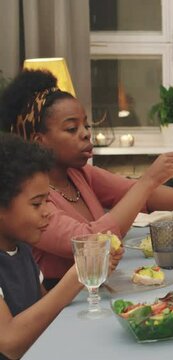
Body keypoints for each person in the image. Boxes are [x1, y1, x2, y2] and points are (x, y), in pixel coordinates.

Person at [0, 70, 173, 288]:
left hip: (103, 285)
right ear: (38, 140)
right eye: (71, 128)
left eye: (86, 125)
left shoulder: (79, 173)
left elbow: (142, 195)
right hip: (63, 298)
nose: (86, 134)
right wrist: (148, 180)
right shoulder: (33, 201)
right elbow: (91, 243)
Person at [0, 133, 122, 359]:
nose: (47, 210)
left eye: (47, 200)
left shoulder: (22, 249)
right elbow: (9, 342)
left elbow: (48, 310)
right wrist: (75, 277)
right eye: (37, 203)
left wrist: (91, 276)